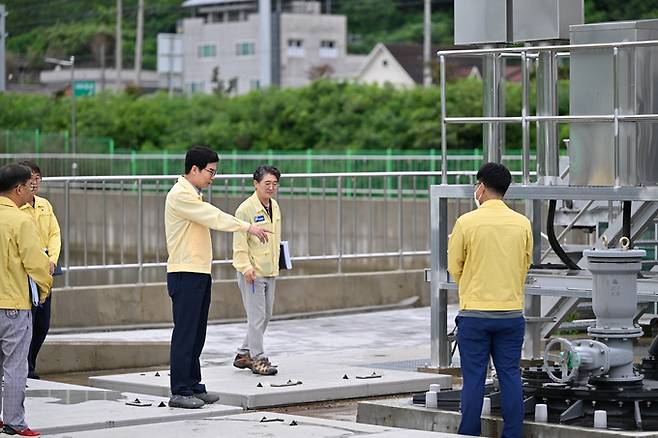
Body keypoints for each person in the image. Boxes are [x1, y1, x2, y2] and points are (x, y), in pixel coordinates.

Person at [165, 146, 270, 409]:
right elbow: (214, 217)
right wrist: (247, 227)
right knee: (185, 334)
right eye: (210, 172)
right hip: (184, 272)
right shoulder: (180, 195)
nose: (213, 177)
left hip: (199, 272)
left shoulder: (194, 195)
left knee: (198, 333)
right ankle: (179, 390)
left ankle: (193, 386)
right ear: (194, 170)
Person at [447, 162, 532, 438]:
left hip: (475, 315)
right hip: (510, 314)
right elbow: (525, 264)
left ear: (481, 187)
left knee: (473, 379)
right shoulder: (522, 223)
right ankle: (513, 434)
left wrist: (472, 285)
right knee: (510, 376)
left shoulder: (466, 222)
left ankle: (469, 433)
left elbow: (454, 266)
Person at [0, 163, 52, 437]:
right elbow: (36, 263)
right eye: (27, 185)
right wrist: (44, 289)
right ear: (18, 188)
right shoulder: (21, 220)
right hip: (14, 305)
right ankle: (15, 421)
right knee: (16, 366)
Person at [232, 165, 282, 376]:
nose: (271, 188)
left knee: (266, 315)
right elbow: (239, 243)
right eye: (266, 183)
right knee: (257, 317)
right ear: (256, 184)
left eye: (274, 184)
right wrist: (246, 268)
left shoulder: (275, 206)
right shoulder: (245, 209)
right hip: (253, 272)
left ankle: (243, 354)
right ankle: (258, 359)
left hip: (270, 270)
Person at [17, 161, 61, 380]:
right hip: (26, 271)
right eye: (30, 179)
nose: (34, 183)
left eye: (37, 178)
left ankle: (30, 363)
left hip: (46, 269)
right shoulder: (14, 208)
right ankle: (24, 368)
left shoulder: (44, 205)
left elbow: (54, 233)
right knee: (26, 322)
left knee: (43, 323)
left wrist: (52, 259)